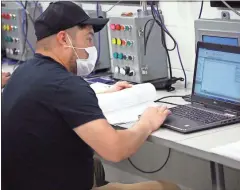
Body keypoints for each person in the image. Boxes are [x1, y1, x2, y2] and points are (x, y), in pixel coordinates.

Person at [2, 2, 180, 190]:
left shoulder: (23, 72)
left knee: (96, 165)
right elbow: (116, 149)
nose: (92, 47)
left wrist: (103, 93)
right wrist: (146, 123)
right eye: (88, 39)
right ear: (63, 39)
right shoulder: (67, 86)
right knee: (168, 187)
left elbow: (54, 104)